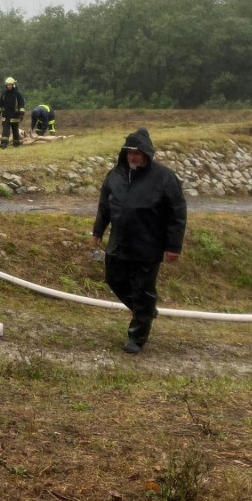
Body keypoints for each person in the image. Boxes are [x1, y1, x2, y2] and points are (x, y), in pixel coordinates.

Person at [92, 127, 187, 354]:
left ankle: (137, 337)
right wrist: (98, 231)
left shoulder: (165, 178)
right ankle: (145, 310)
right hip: (119, 242)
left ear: (147, 153)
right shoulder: (114, 176)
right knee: (114, 279)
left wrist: (173, 246)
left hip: (149, 245)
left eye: (137, 152)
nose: (132, 156)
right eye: (129, 152)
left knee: (144, 289)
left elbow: (177, 212)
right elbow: (104, 207)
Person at [0, 77, 25, 148]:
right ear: (6, 85)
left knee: (15, 130)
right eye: (8, 85)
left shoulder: (17, 94)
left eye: (10, 85)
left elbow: (21, 104)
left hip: (15, 115)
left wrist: (21, 114)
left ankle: (16, 143)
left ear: (13, 85)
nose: (9, 86)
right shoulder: (4, 93)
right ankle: (4, 144)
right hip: (6, 115)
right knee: (5, 130)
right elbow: (0, 104)